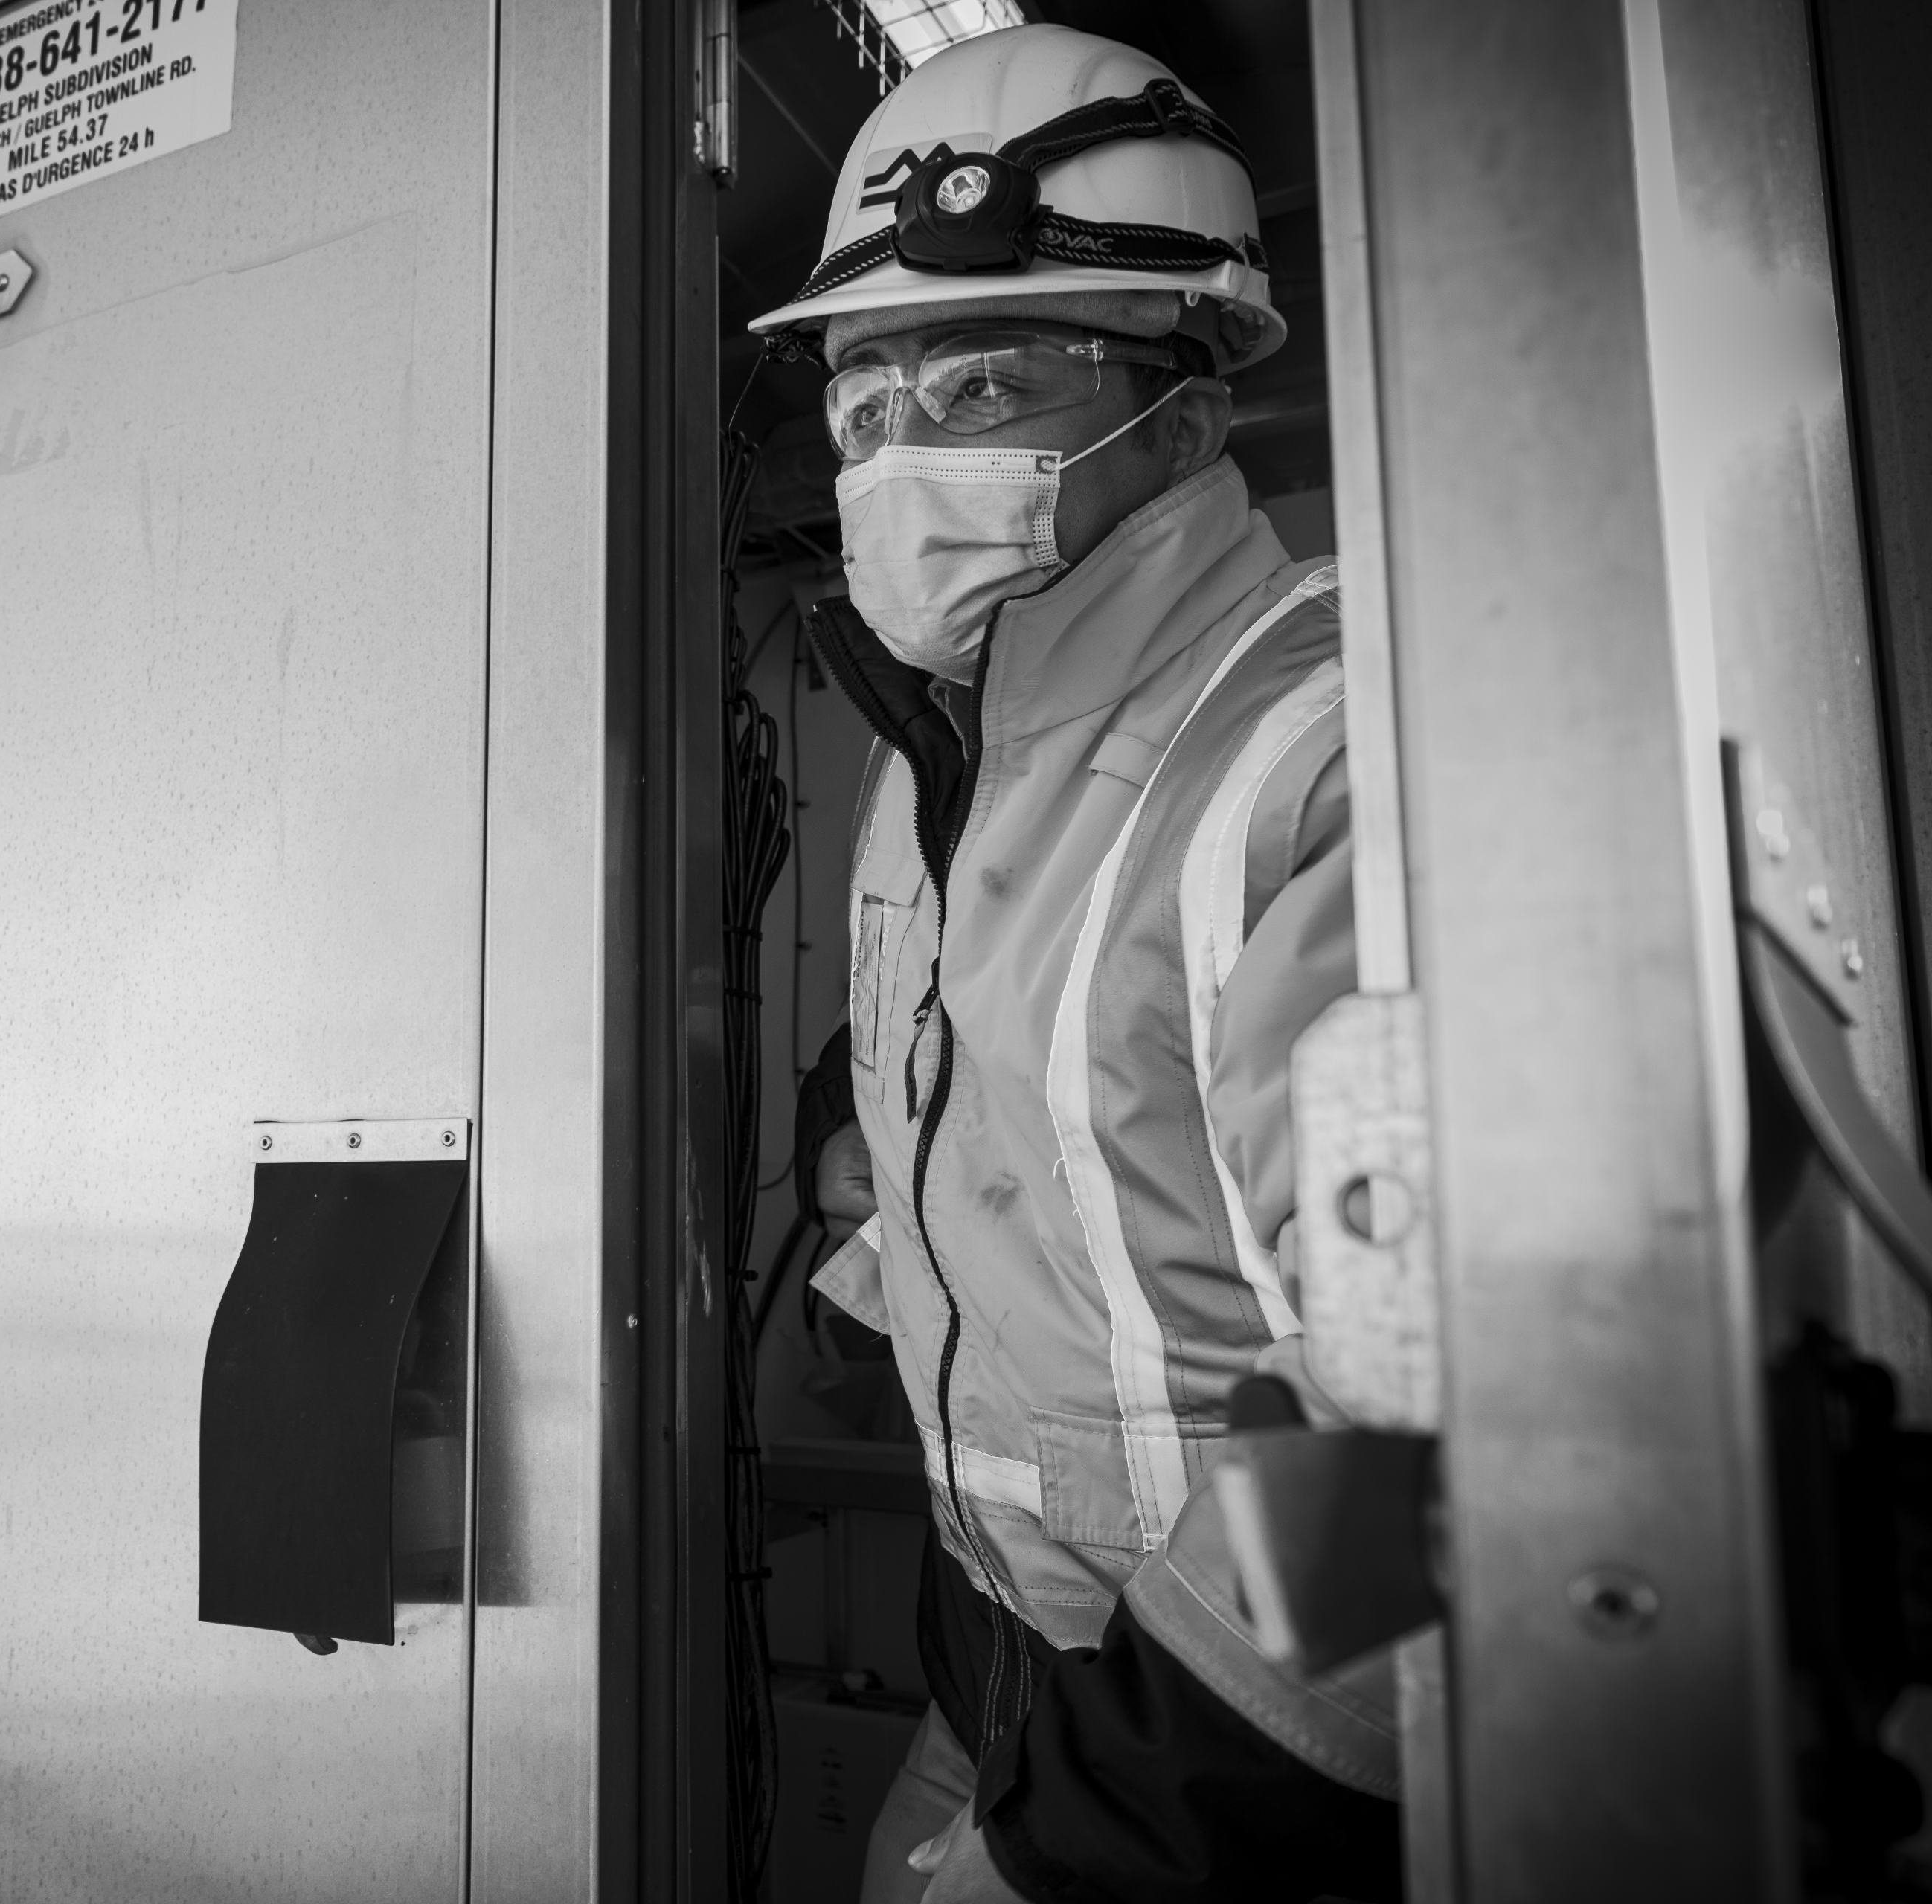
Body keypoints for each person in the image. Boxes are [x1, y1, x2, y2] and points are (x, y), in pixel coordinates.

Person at [748, 24, 1402, 1903]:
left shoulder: (1347, 746)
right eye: (866, 408)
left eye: (978, 382)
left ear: (1185, 417)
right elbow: (971, 1105)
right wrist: (865, 1271)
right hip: (996, 1653)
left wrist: (1107, 1838)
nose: (894, 460)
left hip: (1244, 1760)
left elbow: (1440, 1416)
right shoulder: (935, 756)